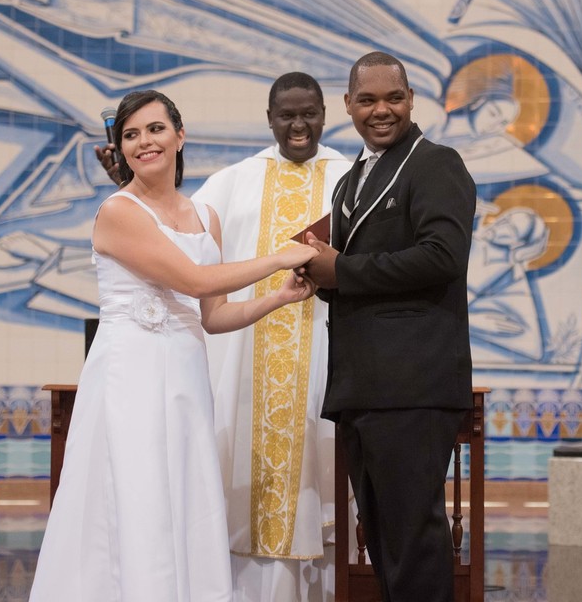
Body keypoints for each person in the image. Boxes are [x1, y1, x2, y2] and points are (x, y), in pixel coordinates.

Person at [30, 90, 318, 602]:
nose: (145, 142)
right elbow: (193, 279)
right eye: (131, 135)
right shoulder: (118, 212)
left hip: (185, 376)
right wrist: (279, 257)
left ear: (179, 136)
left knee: (182, 494)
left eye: (156, 129)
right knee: (135, 494)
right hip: (129, 375)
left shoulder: (206, 216)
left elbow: (215, 314)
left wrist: (278, 297)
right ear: (119, 149)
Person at [301, 52, 476, 602]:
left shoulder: (436, 162)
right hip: (364, 383)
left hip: (413, 382)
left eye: (393, 98)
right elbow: (358, 268)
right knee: (383, 538)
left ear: (411, 100)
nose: (382, 110)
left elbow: (443, 257)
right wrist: (319, 272)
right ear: (348, 106)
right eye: (368, 99)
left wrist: (341, 269)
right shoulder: (351, 178)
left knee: (413, 538)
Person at [190, 72, 351, 602]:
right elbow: (178, 237)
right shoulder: (231, 182)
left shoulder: (353, 177)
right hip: (244, 362)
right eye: (287, 115)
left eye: (309, 113)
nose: (299, 125)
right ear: (270, 118)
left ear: (326, 114)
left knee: (321, 478)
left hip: (327, 358)